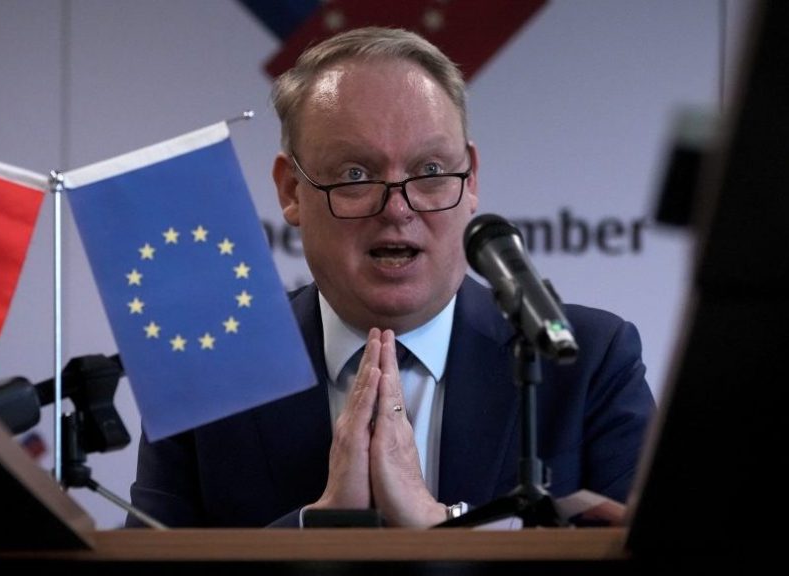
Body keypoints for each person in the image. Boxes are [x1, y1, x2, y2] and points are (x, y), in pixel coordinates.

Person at [127, 26, 655, 528]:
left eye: (430, 171)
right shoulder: (207, 365)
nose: (398, 209)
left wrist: (443, 528)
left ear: (470, 179)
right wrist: (318, 526)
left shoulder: (586, 360)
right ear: (291, 190)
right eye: (355, 174)